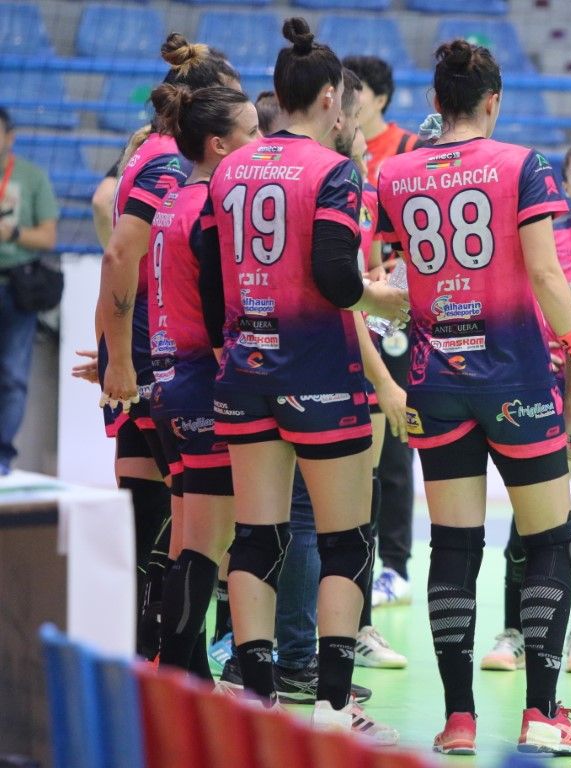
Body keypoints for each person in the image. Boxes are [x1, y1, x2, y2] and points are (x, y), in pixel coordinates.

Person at [374, 39, 571, 756]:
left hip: (435, 382)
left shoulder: (396, 173)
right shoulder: (520, 165)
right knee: (550, 542)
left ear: (435, 103)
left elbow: (391, 283)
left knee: (453, 547)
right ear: (494, 102)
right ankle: (540, 710)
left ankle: (459, 719)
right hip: (514, 380)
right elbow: (544, 271)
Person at [197, 17, 408, 742]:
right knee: (347, 541)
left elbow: (210, 275)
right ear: (325, 97)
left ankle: (256, 699)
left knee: (257, 537)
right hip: (319, 375)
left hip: (246, 371)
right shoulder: (335, 171)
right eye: (342, 99)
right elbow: (332, 275)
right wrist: (384, 297)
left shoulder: (230, 168)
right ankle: (331, 704)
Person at [95, 35, 241, 658]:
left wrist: (108, 343)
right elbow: (120, 250)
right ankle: (172, 667)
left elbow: (114, 226)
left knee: (161, 519)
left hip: (145, 354)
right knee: (182, 524)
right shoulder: (168, 164)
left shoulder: (146, 151)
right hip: (164, 360)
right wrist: (120, 353)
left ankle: (152, 661)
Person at [480, 141, 571, 676]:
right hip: (550, 395)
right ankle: (514, 629)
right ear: (564, 186)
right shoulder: (549, 242)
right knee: (537, 519)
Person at [145, 84, 258, 677]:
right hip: (202, 388)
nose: (262, 144)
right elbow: (217, 307)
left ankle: (190, 679)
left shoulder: (172, 200)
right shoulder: (212, 205)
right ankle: (179, 681)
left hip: (170, 383)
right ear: (219, 144)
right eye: (253, 132)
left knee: (194, 541)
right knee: (205, 549)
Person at [343, 54, 421, 610]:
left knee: (396, 436)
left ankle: (394, 563)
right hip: (353, 304)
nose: (352, 98)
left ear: (382, 98)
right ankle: (358, 558)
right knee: (359, 439)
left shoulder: (410, 150)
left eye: (361, 89)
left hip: (395, 307)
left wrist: (393, 277)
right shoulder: (336, 150)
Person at [0, 106, 59, 476]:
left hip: (17, 287)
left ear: (10, 137)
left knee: (12, 375)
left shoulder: (32, 177)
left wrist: (15, 234)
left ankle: (2, 457)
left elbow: (48, 236)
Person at [344, 55, 421, 188]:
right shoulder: (331, 147)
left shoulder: (411, 148)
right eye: (345, 89)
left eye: (357, 89)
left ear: (380, 101)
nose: (348, 97)